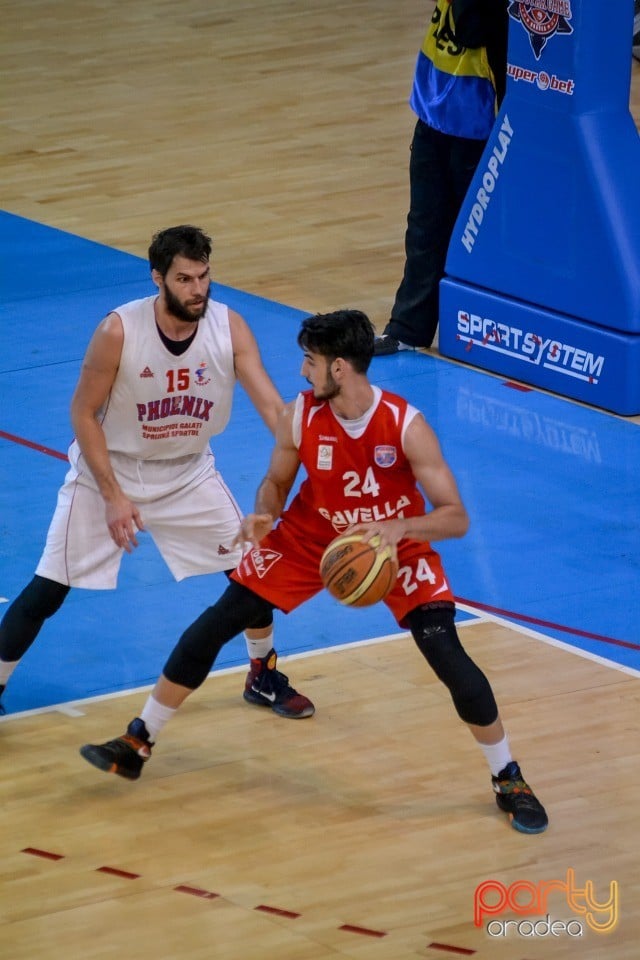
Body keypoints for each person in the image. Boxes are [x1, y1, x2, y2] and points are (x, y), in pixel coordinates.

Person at [81, 308, 548, 835]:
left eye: (311, 361)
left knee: (445, 650)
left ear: (341, 367)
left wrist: (401, 528)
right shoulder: (298, 416)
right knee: (217, 621)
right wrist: (262, 513)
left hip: (394, 546)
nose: (304, 372)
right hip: (308, 537)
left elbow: (455, 517)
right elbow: (276, 482)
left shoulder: (405, 426)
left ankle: (508, 777)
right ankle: (139, 739)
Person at [0, 225, 313, 720]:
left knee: (253, 576)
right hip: (111, 470)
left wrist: (315, 449)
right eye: (185, 279)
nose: (198, 290)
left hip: (188, 473)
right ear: (157, 278)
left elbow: (276, 411)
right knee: (49, 588)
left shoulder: (229, 328)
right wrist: (112, 496)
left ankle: (263, 673)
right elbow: (83, 414)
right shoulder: (118, 331)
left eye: (204, 276)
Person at [374, 0, 508, 355]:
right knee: (423, 226)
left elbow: (471, 28)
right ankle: (408, 329)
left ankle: (478, 331)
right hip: (433, 119)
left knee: (473, 235)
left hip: (476, 132)